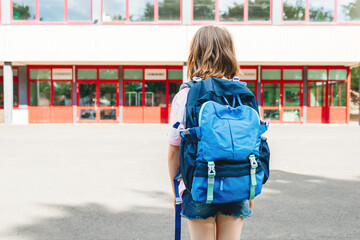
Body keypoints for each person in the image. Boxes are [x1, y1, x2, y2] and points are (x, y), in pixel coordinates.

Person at [168, 25, 253, 240]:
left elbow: (173, 148)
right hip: (237, 181)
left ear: (195, 53)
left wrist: (175, 184)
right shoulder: (242, 93)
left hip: (198, 182)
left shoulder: (187, 94)